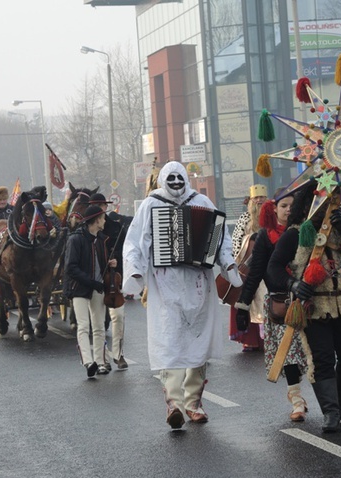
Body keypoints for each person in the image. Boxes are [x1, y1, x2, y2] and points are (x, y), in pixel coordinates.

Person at [122, 161, 240, 430]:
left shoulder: (202, 202)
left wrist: (228, 263)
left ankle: (194, 402)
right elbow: (135, 242)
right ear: (164, 179)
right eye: (171, 178)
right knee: (170, 340)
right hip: (166, 284)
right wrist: (135, 272)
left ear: (185, 178)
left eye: (179, 178)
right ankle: (173, 402)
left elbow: (220, 239)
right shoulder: (151, 205)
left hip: (198, 282)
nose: (175, 182)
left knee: (198, 340)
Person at [266, 181, 341, 432]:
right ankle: (331, 412)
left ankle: (339, 397)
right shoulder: (296, 233)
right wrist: (293, 284)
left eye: (333, 200)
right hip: (313, 307)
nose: (327, 205)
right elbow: (273, 267)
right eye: (322, 200)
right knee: (322, 359)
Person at [235, 191, 311, 422]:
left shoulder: (306, 233)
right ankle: (296, 400)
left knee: (311, 355)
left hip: (309, 301)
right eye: (284, 205)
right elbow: (256, 273)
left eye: (292, 206)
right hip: (280, 304)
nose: (288, 210)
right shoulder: (264, 237)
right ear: (274, 209)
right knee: (288, 356)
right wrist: (243, 305)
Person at [64, 205, 116, 378]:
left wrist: (110, 264)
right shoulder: (75, 240)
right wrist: (92, 282)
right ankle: (88, 362)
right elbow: (71, 268)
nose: (105, 220)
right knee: (84, 326)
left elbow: (100, 263)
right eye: (102, 218)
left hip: (98, 288)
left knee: (99, 326)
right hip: (79, 288)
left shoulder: (101, 239)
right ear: (95, 221)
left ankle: (100, 362)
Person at [88, 193, 128, 370]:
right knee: (98, 324)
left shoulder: (116, 228)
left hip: (114, 279)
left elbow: (124, 251)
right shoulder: (86, 231)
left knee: (118, 317)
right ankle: (101, 359)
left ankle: (118, 355)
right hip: (95, 281)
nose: (100, 210)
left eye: (102, 206)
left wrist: (117, 262)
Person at [230, 184, 267, 352]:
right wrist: (250, 240)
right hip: (249, 265)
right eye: (256, 198)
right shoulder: (244, 218)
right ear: (251, 200)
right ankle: (252, 339)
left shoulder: (270, 216)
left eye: (262, 198)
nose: (259, 201)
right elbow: (236, 243)